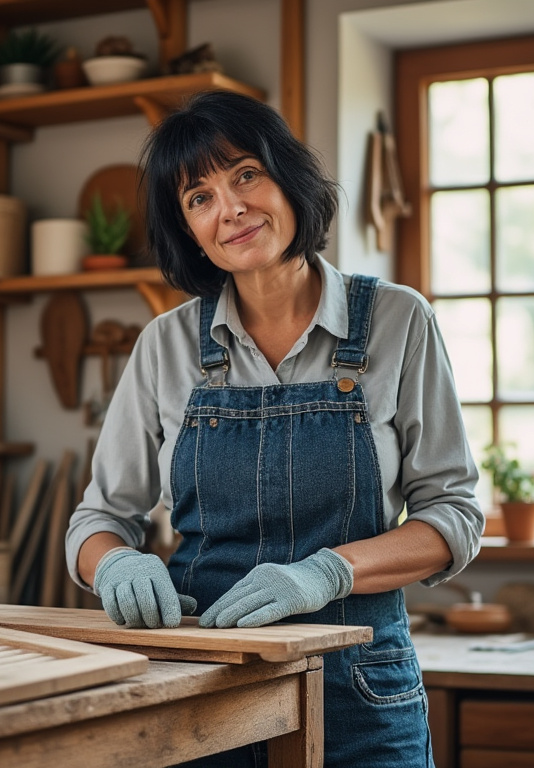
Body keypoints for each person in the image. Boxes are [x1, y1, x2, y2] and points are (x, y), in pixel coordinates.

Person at [65, 90, 483, 767]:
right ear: (188, 229)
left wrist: (328, 573)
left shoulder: (400, 321)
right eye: (198, 198)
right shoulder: (165, 345)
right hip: (203, 685)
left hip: (361, 688)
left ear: (288, 178)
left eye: (245, 175)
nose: (229, 209)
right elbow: (99, 518)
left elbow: (454, 517)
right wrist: (114, 560)